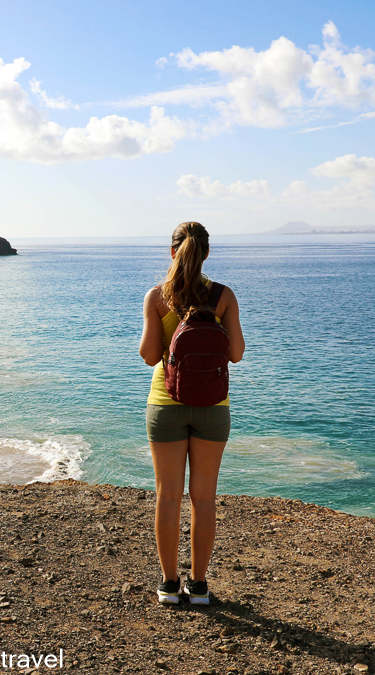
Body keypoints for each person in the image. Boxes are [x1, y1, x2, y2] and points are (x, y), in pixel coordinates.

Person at [138, 221, 244, 605]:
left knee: (168, 497)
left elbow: (150, 356)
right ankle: (198, 586)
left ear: (172, 252)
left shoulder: (156, 297)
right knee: (204, 498)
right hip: (214, 407)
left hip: (165, 405)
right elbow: (236, 354)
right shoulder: (223, 295)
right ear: (206, 254)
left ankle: (169, 585)